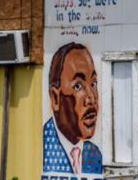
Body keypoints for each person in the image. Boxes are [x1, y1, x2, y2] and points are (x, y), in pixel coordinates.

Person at [42, 42, 102, 176]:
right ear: (55, 98)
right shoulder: (42, 148)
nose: (91, 98)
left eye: (93, 83)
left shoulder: (94, 154)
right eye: (78, 86)